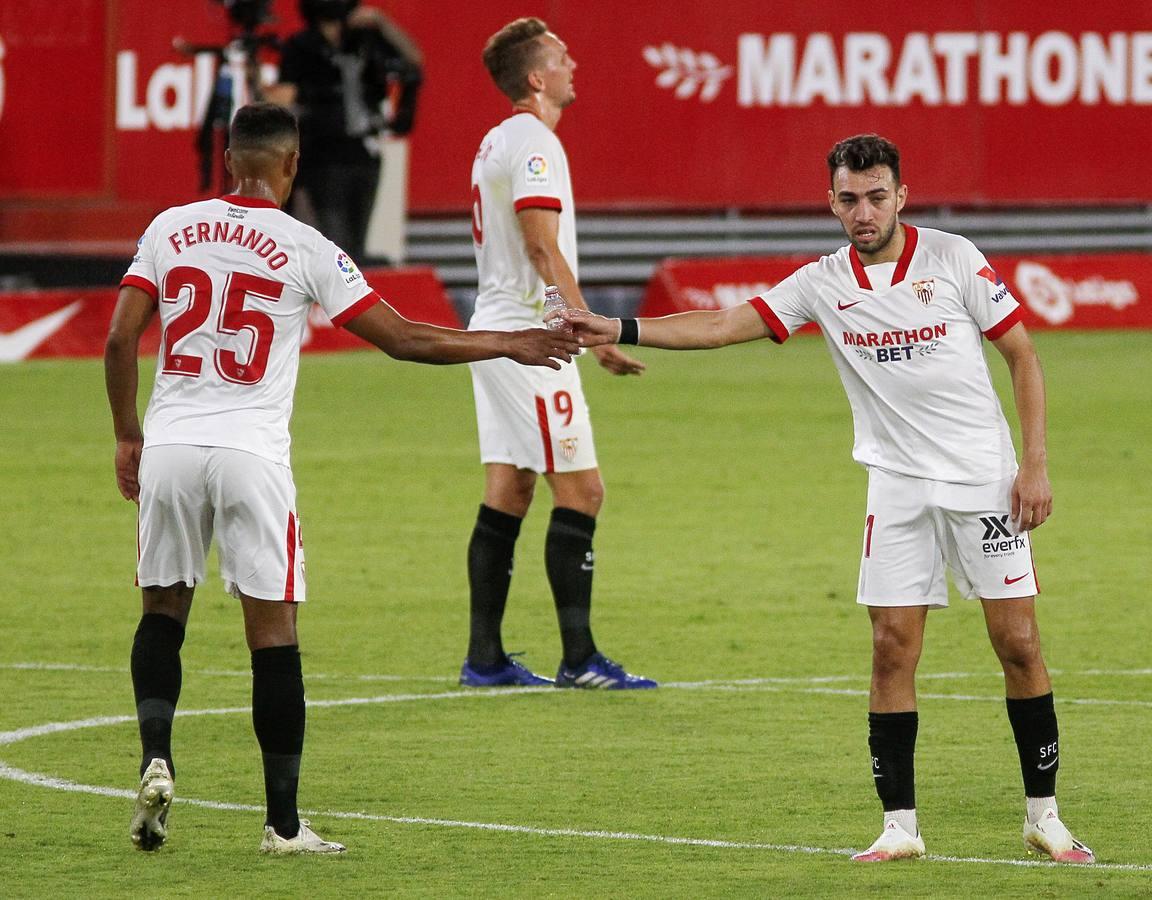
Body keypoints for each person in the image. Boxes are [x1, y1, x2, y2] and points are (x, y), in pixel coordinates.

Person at [553, 134, 1095, 862]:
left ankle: (1044, 815)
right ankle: (899, 827)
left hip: (982, 481)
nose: (863, 212)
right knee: (889, 648)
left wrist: (1034, 465)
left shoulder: (954, 259)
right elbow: (722, 324)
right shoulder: (821, 282)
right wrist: (616, 327)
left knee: (1019, 644)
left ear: (901, 196)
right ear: (831, 202)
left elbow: (1023, 356)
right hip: (897, 489)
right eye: (849, 199)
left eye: (877, 196)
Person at [104, 102, 578, 855]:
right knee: (273, 635)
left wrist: (129, 434)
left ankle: (156, 755)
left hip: (170, 446)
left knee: (162, 610)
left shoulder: (169, 227)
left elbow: (121, 335)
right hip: (250, 454)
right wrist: (508, 342)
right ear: (291, 168)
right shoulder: (305, 245)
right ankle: (284, 826)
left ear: (230, 161)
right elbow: (405, 338)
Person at [460, 18, 655, 691]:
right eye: (563, 58)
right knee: (582, 489)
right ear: (537, 78)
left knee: (510, 488)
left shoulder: (496, 141)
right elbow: (541, 246)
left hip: (499, 330)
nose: (575, 65)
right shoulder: (536, 143)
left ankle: (485, 658)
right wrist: (587, 328)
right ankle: (580, 659)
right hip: (531, 340)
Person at [266, 0, 422, 261]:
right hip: (323, 154)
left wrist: (382, 23)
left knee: (357, 244)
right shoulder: (302, 46)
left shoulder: (364, 40)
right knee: (335, 242)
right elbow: (284, 95)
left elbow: (413, 61)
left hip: (364, 152)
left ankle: (353, 292)